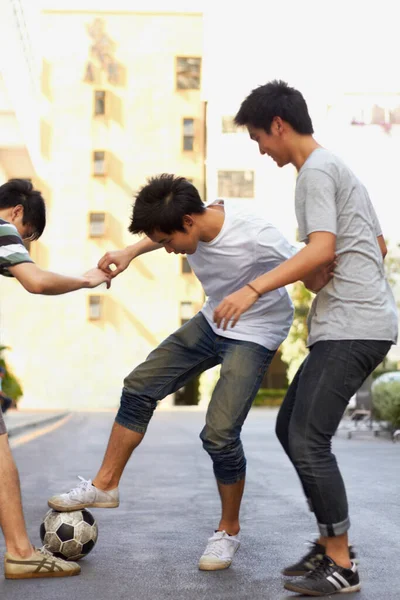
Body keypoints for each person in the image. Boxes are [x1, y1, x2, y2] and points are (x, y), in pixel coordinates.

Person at [47, 173, 326, 572]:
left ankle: (227, 532)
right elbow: (161, 233)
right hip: (213, 320)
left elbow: (308, 261)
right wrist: (130, 251)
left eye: (167, 242)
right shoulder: (190, 214)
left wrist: (256, 291)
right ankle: (105, 485)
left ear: (189, 224)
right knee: (140, 386)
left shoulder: (257, 234)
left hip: (257, 332)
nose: (167, 250)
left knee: (219, 434)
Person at [212, 80, 398, 596]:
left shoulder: (314, 172)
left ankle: (341, 563)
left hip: (353, 326)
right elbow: (376, 243)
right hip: (356, 321)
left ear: (278, 125)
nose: (262, 151)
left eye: (259, 140)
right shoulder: (336, 168)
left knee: (307, 439)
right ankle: (329, 543)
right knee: (290, 427)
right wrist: (325, 272)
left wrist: (252, 289)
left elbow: (320, 252)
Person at [0, 178, 111, 579]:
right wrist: (86, 281)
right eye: (27, 235)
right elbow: (37, 281)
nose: (23, 246)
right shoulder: (2, 229)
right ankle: (20, 552)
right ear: (16, 213)